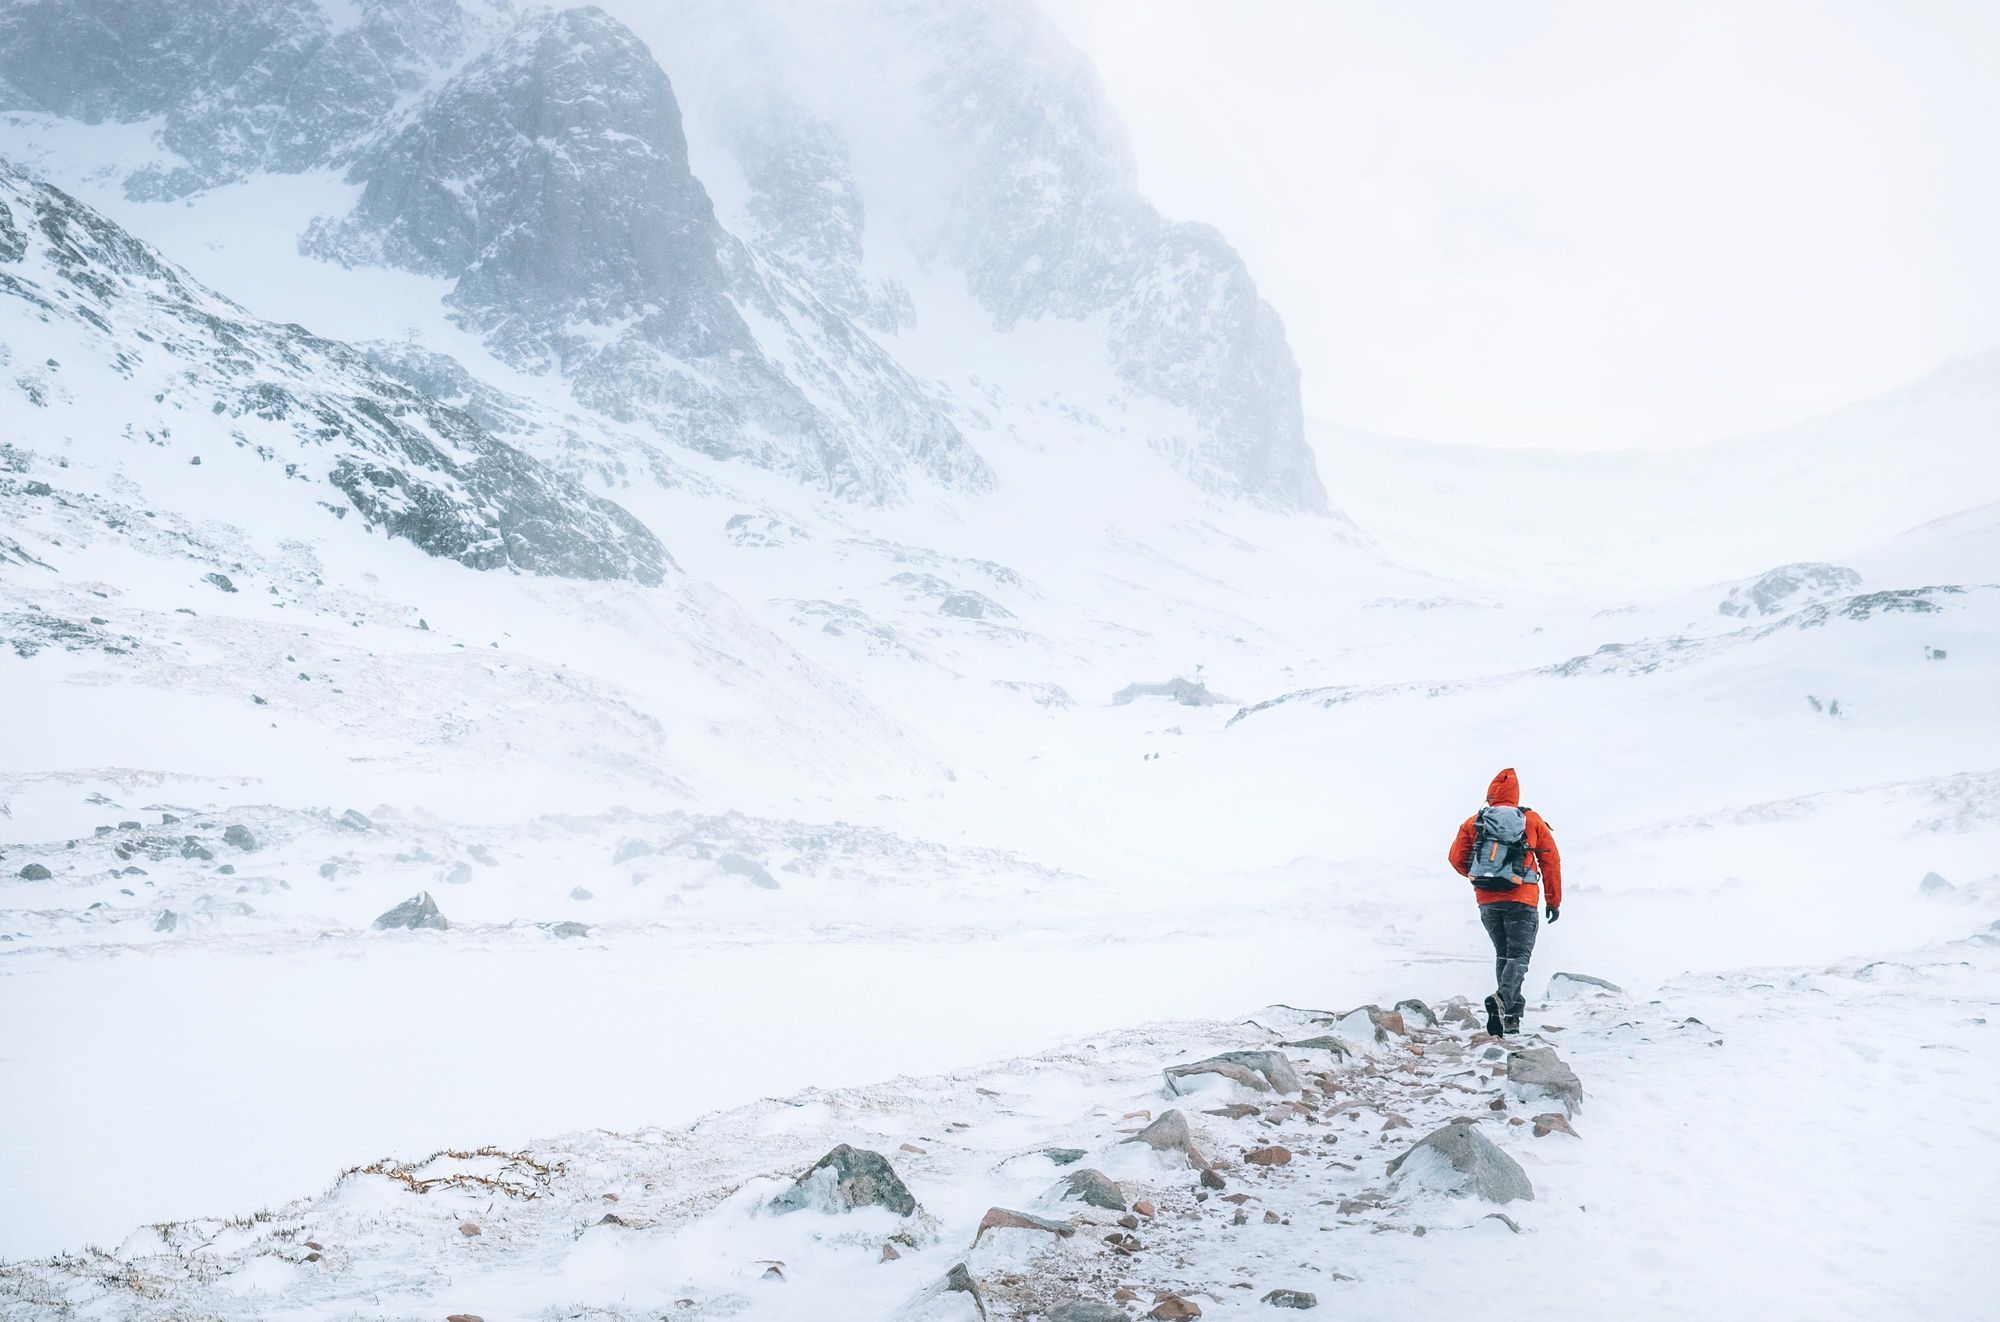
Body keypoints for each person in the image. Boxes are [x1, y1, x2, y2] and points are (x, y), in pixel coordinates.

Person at [1447, 767, 1562, 1036]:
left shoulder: (1474, 822)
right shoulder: (1531, 820)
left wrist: (1480, 878)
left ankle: (1511, 1018)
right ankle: (1502, 1001)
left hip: (1487, 901)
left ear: (1491, 795)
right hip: (1522, 899)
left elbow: (1455, 858)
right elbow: (1550, 862)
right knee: (1519, 956)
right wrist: (1553, 900)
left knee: (1504, 955)